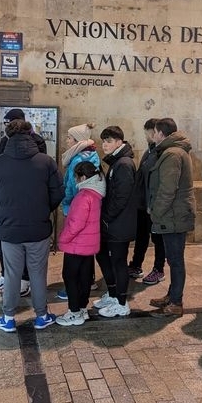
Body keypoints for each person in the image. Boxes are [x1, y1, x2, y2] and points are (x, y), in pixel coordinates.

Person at [0, 119, 64, 332]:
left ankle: (8, 318)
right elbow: (57, 193)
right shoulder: (46, 162)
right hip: (38, 229)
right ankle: (41, 315)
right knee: (37, 273)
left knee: (11, 274)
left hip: (9, 231)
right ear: (31, 135)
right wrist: (43, 210)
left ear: (7, 136)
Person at [0, 109, 44, 292]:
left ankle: (16, 291)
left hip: (11, 207)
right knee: (29, 259)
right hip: (29, 209)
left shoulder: (32, 143)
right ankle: (37, 307)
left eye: (8, 123)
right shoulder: (11, 142)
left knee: (13, 250)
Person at [147, 118, 195, 318]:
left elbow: (168, 189)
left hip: (173, 215)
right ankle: (172, 295)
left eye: (154, 133)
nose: (152, 136)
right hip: (174, 214)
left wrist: (156, 212)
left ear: (160, 133)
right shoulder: (173, 152)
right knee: (173, 259)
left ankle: (176, 302)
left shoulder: (172, 154)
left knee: (175, 260)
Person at [94, 126, 138, 318]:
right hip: (113, 223)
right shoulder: (117, 162)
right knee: (104, 257)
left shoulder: (124, 164)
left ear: (120, 142)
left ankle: (121, 302)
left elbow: (121, 197)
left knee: (118, 261)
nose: (105, 145)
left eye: (109, 141)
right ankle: (113, 294)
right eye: (103, 141)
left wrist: (106, 217)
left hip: (119, 224)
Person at [56, 162, 106, 326]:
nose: (75, 181)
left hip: (76, 245)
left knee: (70, 277)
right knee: (85, 277)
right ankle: (82, 309)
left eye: (76, 177)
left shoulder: (83, 196)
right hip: (88, 245)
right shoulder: (96, 194)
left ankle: (74, 312)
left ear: (83, 177)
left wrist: (63, 238)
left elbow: (76, 224)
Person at [56, 122, 101, 300]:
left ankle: (75, 289)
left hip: (77, 208)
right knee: (86, 249)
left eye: (69, 138)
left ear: (77, 140)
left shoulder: (79, 159)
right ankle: (88, 281)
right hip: (87, 208)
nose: (66, 140)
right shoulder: (91, 155)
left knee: (76, 250)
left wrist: (66, 202)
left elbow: (73, 187)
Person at [127, 118, 167, 286]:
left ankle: (159, 269)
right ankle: (136, 265)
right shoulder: (150, 151)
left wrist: (154, 204)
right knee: (141, 236)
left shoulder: (161, 153)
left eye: (147, 133)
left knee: (158, 238)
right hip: (143, 203)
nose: (146, 136)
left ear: (154, 133)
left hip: (153, 205)